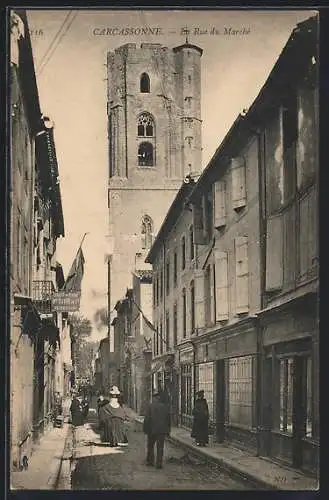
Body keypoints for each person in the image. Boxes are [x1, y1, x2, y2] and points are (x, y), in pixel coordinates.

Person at [143, 391, 171, 469]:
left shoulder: (150, 406)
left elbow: (147, 419)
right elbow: (168, 420)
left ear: (154, 398)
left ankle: (150, 461)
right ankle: (159, 463)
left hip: (152, 430)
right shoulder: (165, 407)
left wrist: (145, 429)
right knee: (160, 447)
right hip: (162, 430)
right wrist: (168, 430)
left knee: (150, 446)